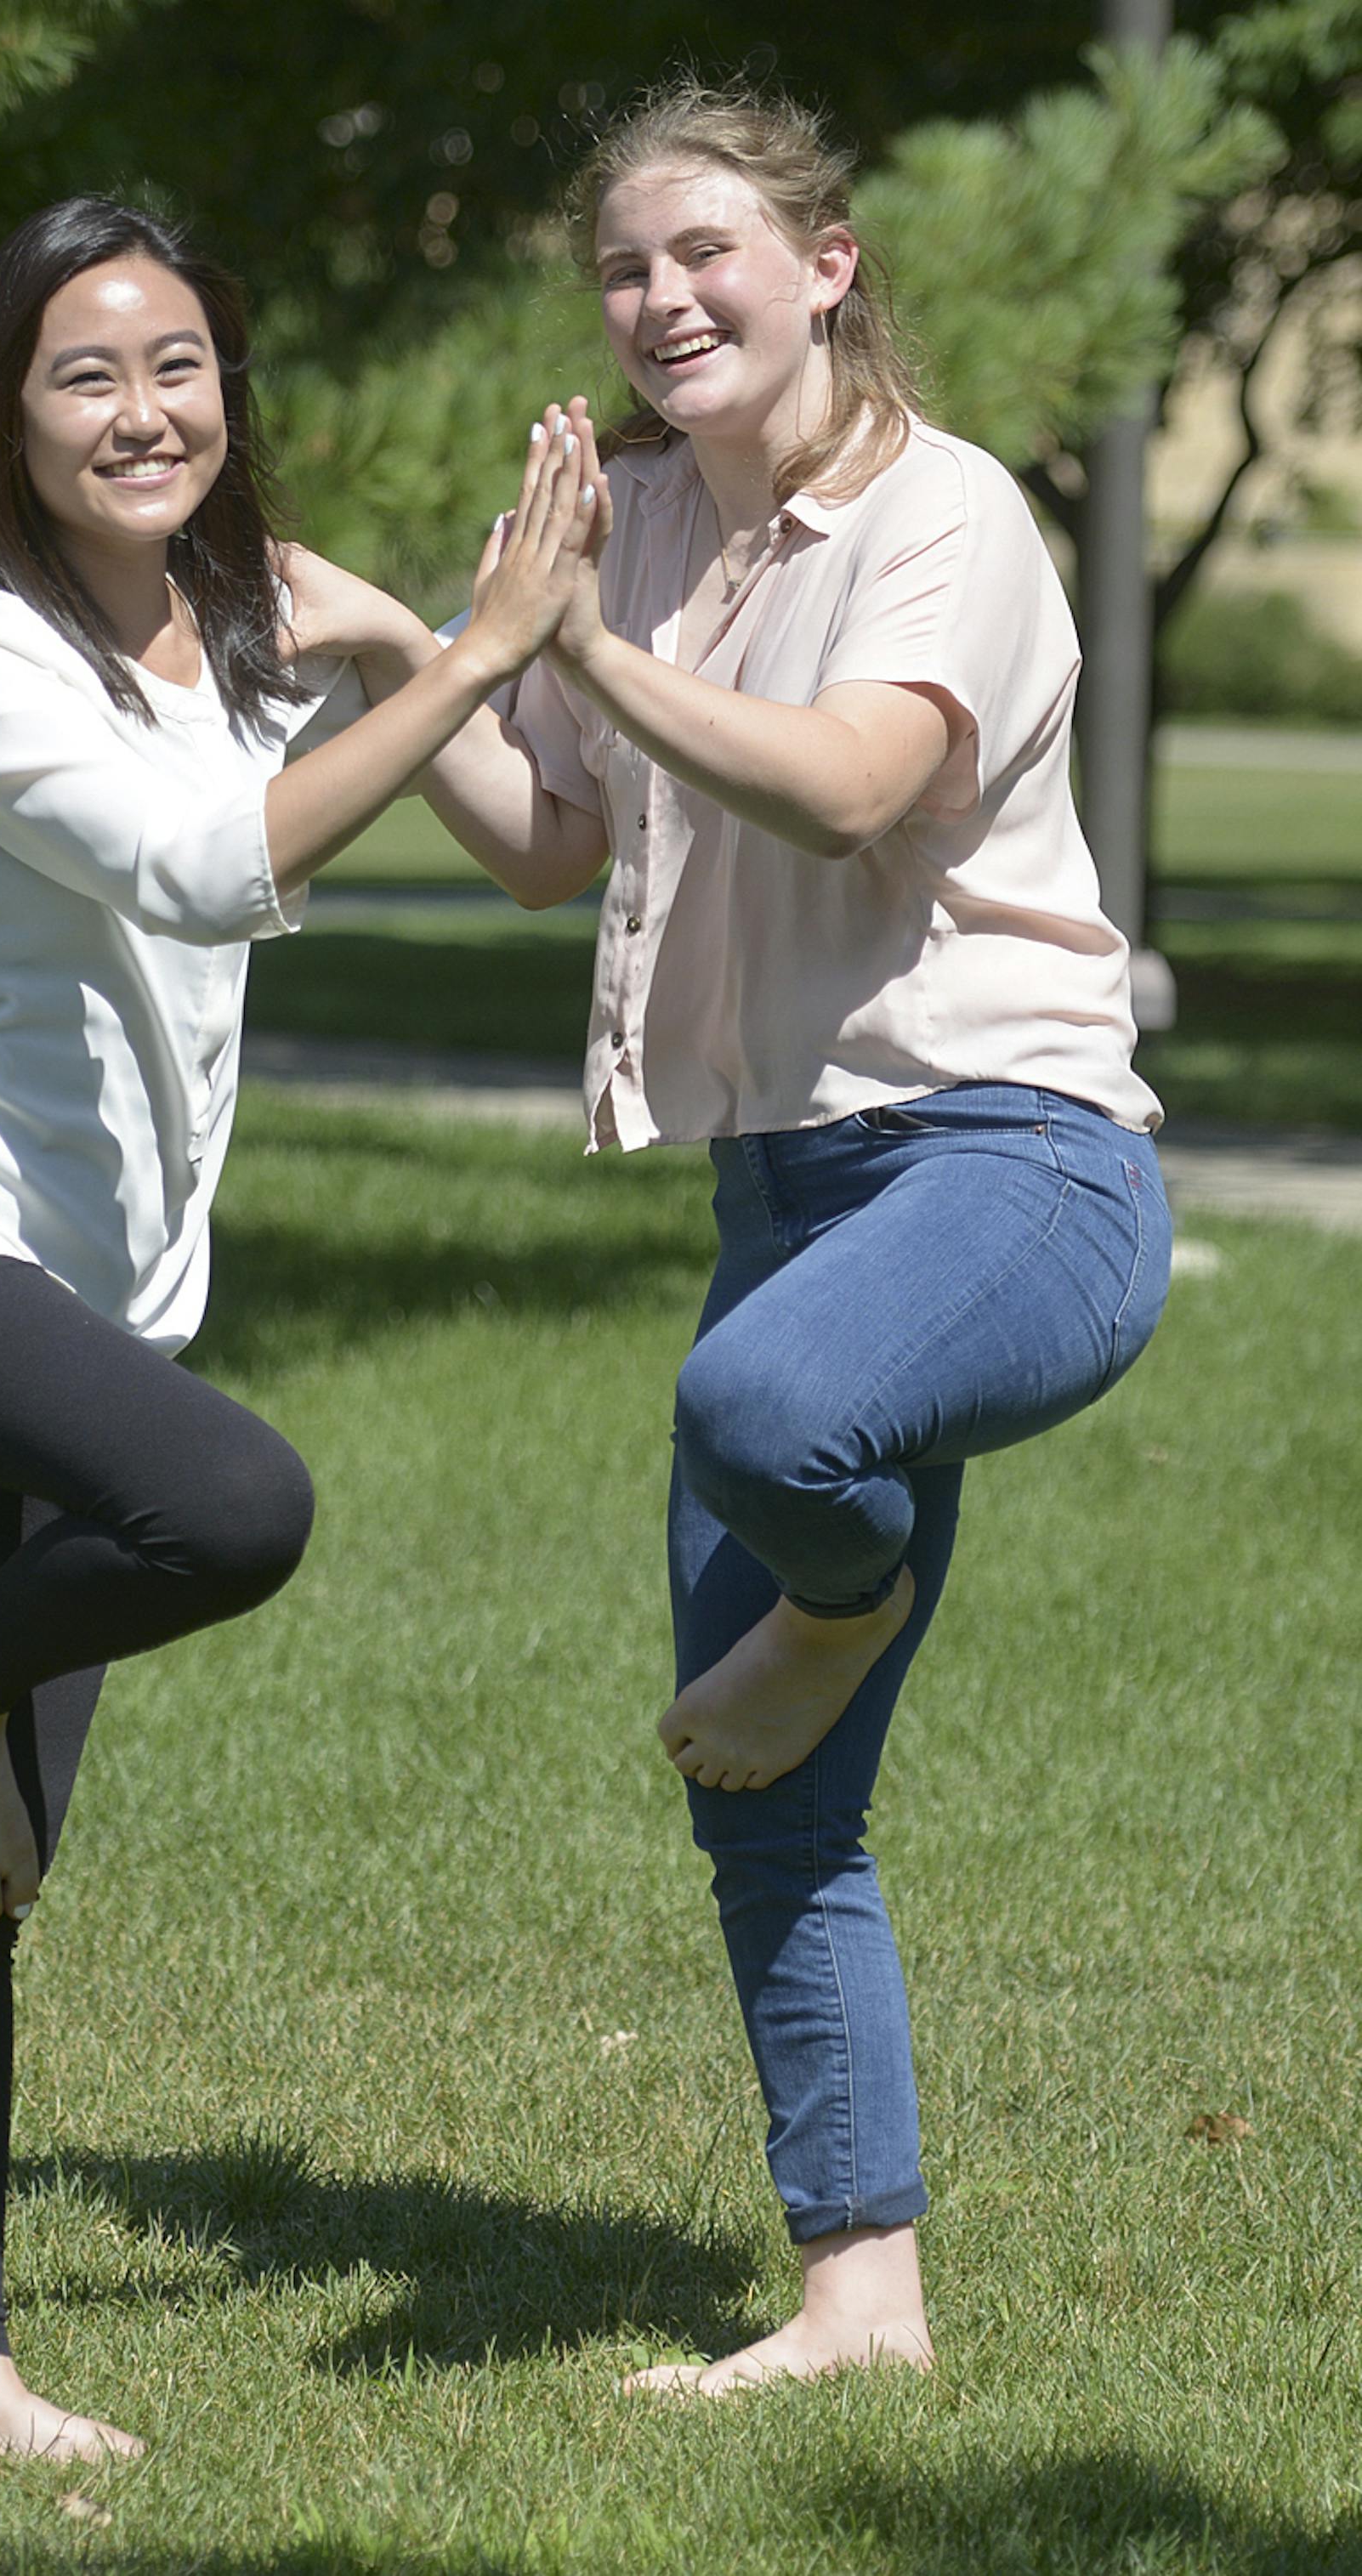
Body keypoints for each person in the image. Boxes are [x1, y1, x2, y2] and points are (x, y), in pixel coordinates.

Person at [349, 81, 1172, 2390]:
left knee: (764, 1415)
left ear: (824, 263)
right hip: (784, 1183)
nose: (660, 298)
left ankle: (855, 1581)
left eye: (706, 250)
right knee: (768, 1799)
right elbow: (541, 844)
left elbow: (856, 780)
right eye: (625, 269)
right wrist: (389, 649)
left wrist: (576, 649)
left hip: (1017, 1163)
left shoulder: (948, 514)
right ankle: (859, 2306)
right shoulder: (616, 525)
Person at [0, 193, 596, 2467]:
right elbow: (211, 868)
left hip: (94, 1291)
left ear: (227, 391)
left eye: (178, 368)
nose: (145, 411)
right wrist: (464, 642)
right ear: (6, 420)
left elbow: (541, 857)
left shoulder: (238, 628)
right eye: (84, 374)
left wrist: (439, 635)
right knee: (230, 1500)